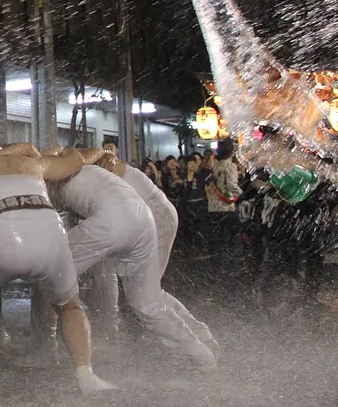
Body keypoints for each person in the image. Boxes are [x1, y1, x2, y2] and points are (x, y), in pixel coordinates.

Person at [0, 142, 115, 394]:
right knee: (70, 306)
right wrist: (101, 152)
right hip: (49, 230)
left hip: (1, 232)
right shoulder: (34, 163)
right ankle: (86, 376)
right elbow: (77, 159)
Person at [47, 156, 217, 368]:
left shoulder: (64, 166)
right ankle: (201, 351)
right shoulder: (89, 164)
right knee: (147, 300)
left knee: (52, 270)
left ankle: (44, 348)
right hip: (143, 217)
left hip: (150, 216)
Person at [96, 151, 217, 351]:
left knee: (145, 296)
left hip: (155, 220)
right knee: (144, 294)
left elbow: (108, 162)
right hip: (147, 222)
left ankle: (194, 344)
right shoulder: (98, 169)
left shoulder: (101, 165)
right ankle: (193, 339)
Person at [206, 138, 243, 268]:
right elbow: (232, 186)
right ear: (232, 152)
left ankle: (216, 262)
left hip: (213, 206)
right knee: (234, 235)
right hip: (226, 207)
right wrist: (242, 194)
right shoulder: (231, 166)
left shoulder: (215, 165)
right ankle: (231, 262)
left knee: (218, 235)